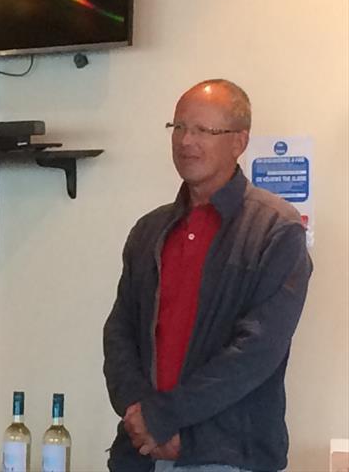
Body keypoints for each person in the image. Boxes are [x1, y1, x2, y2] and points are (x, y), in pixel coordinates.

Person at [103, 79, 311, 472]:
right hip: (141, 453)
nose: (186, 142)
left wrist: (164, 418)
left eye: (203, 130)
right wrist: (140, 416)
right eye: (179, 127)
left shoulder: (276, 230)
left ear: (239, 141)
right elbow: (119, 331)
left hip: (228, 455)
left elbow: (255, 352)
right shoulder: (149, 230)